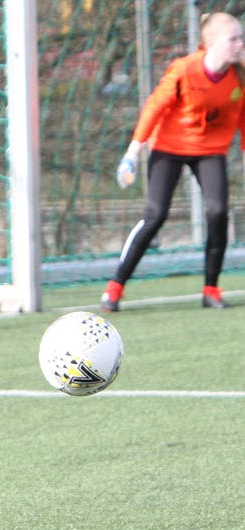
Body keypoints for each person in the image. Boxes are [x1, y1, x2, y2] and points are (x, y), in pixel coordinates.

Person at [103, 11, 245, 312]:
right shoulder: (184, 70)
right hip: (169, 146)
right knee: (156, 215)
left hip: (210, 150)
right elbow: (155, 107)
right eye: (234, 38)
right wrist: (132, 152)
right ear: (213, 43)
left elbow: (243, 121)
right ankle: (115, 288)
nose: (240, 44)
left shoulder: (238, 78)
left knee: (218, 212)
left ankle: (211, 289)